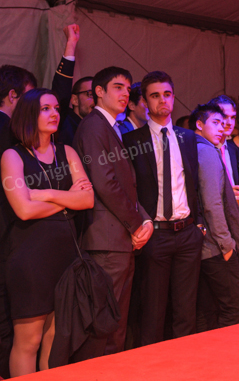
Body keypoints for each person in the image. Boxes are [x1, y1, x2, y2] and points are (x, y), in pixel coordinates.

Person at [0, 89, 93, 376]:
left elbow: (87, 199)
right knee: (29, 341)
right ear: (29, 114)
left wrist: (46, 193)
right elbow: (24, 210)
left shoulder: (67, 152)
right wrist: (68, 199)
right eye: (45, 109)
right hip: (30, 258)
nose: (54, 114)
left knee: (55, 340)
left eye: (56, 108)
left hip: (65, 256)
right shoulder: (12, 156)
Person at [73, 67, 153, 355]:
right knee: (104, 321)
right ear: (99, 91)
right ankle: (97, 372)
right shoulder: (94, 126)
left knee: (116, 320)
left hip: (118, 237)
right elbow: (105, 182)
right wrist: (136, 223)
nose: (125, 94)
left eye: (128, 89)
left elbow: (124, 184)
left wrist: (144, 220)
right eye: (118, 87)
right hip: (106, 239)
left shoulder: (110, 126)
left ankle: (112, 370)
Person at [122, 71, 204, 346]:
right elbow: (128, 190)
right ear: (145, 102)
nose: (163, 100)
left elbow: (194, 182)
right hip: (155, 234)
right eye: (155, 95)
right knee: (153, 312)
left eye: (167, 94)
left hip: (188, 232)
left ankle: (185, 363)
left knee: (186, 310)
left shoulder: (187, 137)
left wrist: (199, 225)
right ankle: (151, 364)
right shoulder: (133, 140)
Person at [193, 102, 239, 331]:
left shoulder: (197, 147)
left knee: (208, 311)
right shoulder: (206, 150)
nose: (222, 127)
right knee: (234, 308)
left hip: (205, 244)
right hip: (215, 246)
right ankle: (228, 352)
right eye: (215, 122)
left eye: (224, 122)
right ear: (199, 124)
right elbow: (211, 203)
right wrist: (226, 243)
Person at [56, 76, 94, 146]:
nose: (96, 100)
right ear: (75, 100)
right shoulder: (64, 123)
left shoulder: (99, 126)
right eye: (91, 94)